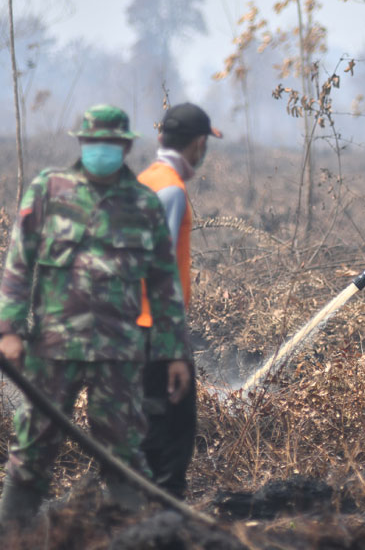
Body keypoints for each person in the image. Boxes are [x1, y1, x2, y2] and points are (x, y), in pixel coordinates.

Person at [0, 104, 191, 522]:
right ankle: (13, 537)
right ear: (82, 144)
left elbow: (163, 285)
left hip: (119, 355)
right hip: (53, 349)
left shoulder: (143, 204)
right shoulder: (49, 190)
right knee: (32, 451)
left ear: (124, 147)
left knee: (123, 454)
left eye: (110, 143)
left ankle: (132, 536)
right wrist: (9, 331)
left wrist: (174, 352)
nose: (101, 149)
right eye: (93, 142)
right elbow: (18, 264)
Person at [137, 102, 221, 499]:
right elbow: (161, 270)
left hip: (130, 326)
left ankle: (137, 510)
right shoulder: (171, 189)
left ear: (160, 138)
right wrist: (173, 349)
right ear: (199, 143)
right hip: (157, 329)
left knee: (147, 426)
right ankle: (163, 518)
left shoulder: (145, 180)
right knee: (174, 434)